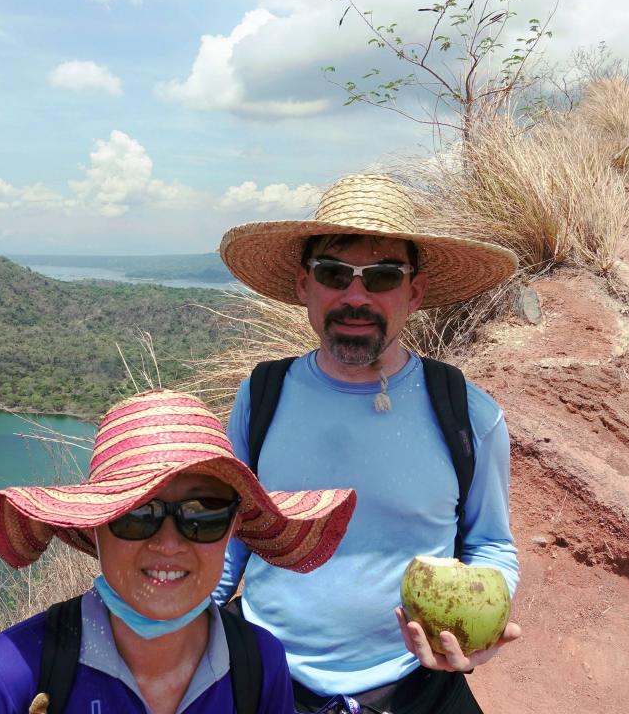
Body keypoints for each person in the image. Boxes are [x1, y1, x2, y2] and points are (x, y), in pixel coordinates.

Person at [213, 174, 523, 713]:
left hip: (417, 687)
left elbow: (491, 543)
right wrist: (187, 630)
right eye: (334, 273)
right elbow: (232, 532)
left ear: (414, 292)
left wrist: (477, 630)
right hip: (264, 680)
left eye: (382, 276)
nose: (356, 296)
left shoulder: (468, 413)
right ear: (303, 286)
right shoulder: (261, 395)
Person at [0, 389, 357, 714]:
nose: (168, 543)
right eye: (137, 514)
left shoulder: (259, 664)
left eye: (203, 514)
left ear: (233, 527)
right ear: (95, 527)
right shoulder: (10, 675)